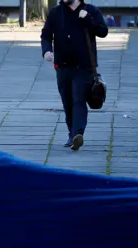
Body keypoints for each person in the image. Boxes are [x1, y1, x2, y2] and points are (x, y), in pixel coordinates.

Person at [41, 0, 108, 150]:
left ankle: (78, 134)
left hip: (84, 66)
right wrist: (46, 50)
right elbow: (46, 34)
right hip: (62, 65)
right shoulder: (56, 12)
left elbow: (103, 32)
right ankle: (72, 134)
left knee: (79, 99)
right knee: (67, 101)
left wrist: (88, 20)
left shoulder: (91, 11)